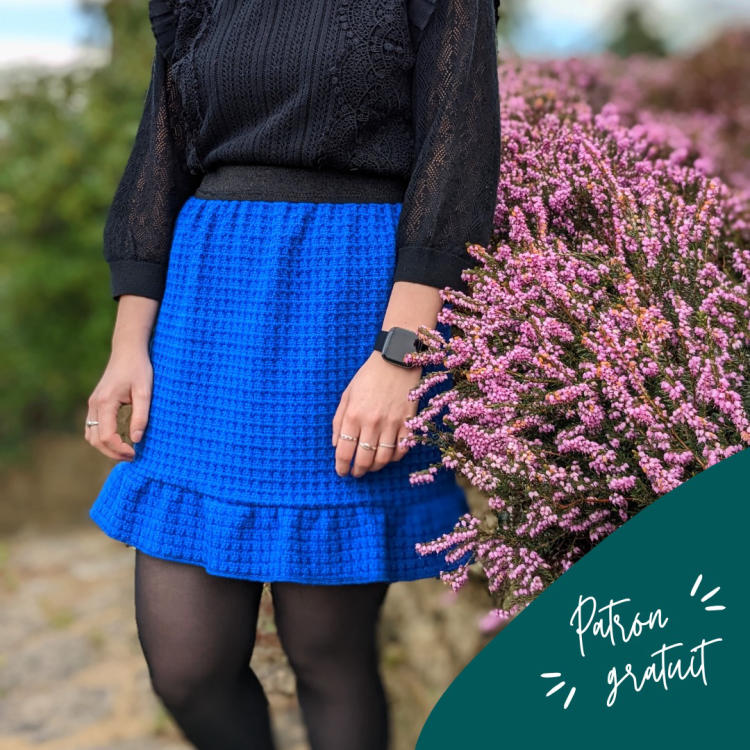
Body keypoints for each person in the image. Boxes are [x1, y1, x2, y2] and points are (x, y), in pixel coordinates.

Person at [85, 0, 501, 748]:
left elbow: (458, 156)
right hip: (206, 314)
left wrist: (400, 355)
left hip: (346, 311)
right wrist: (128, 344)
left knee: (328, 654)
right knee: (186, 668)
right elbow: (159, 158)